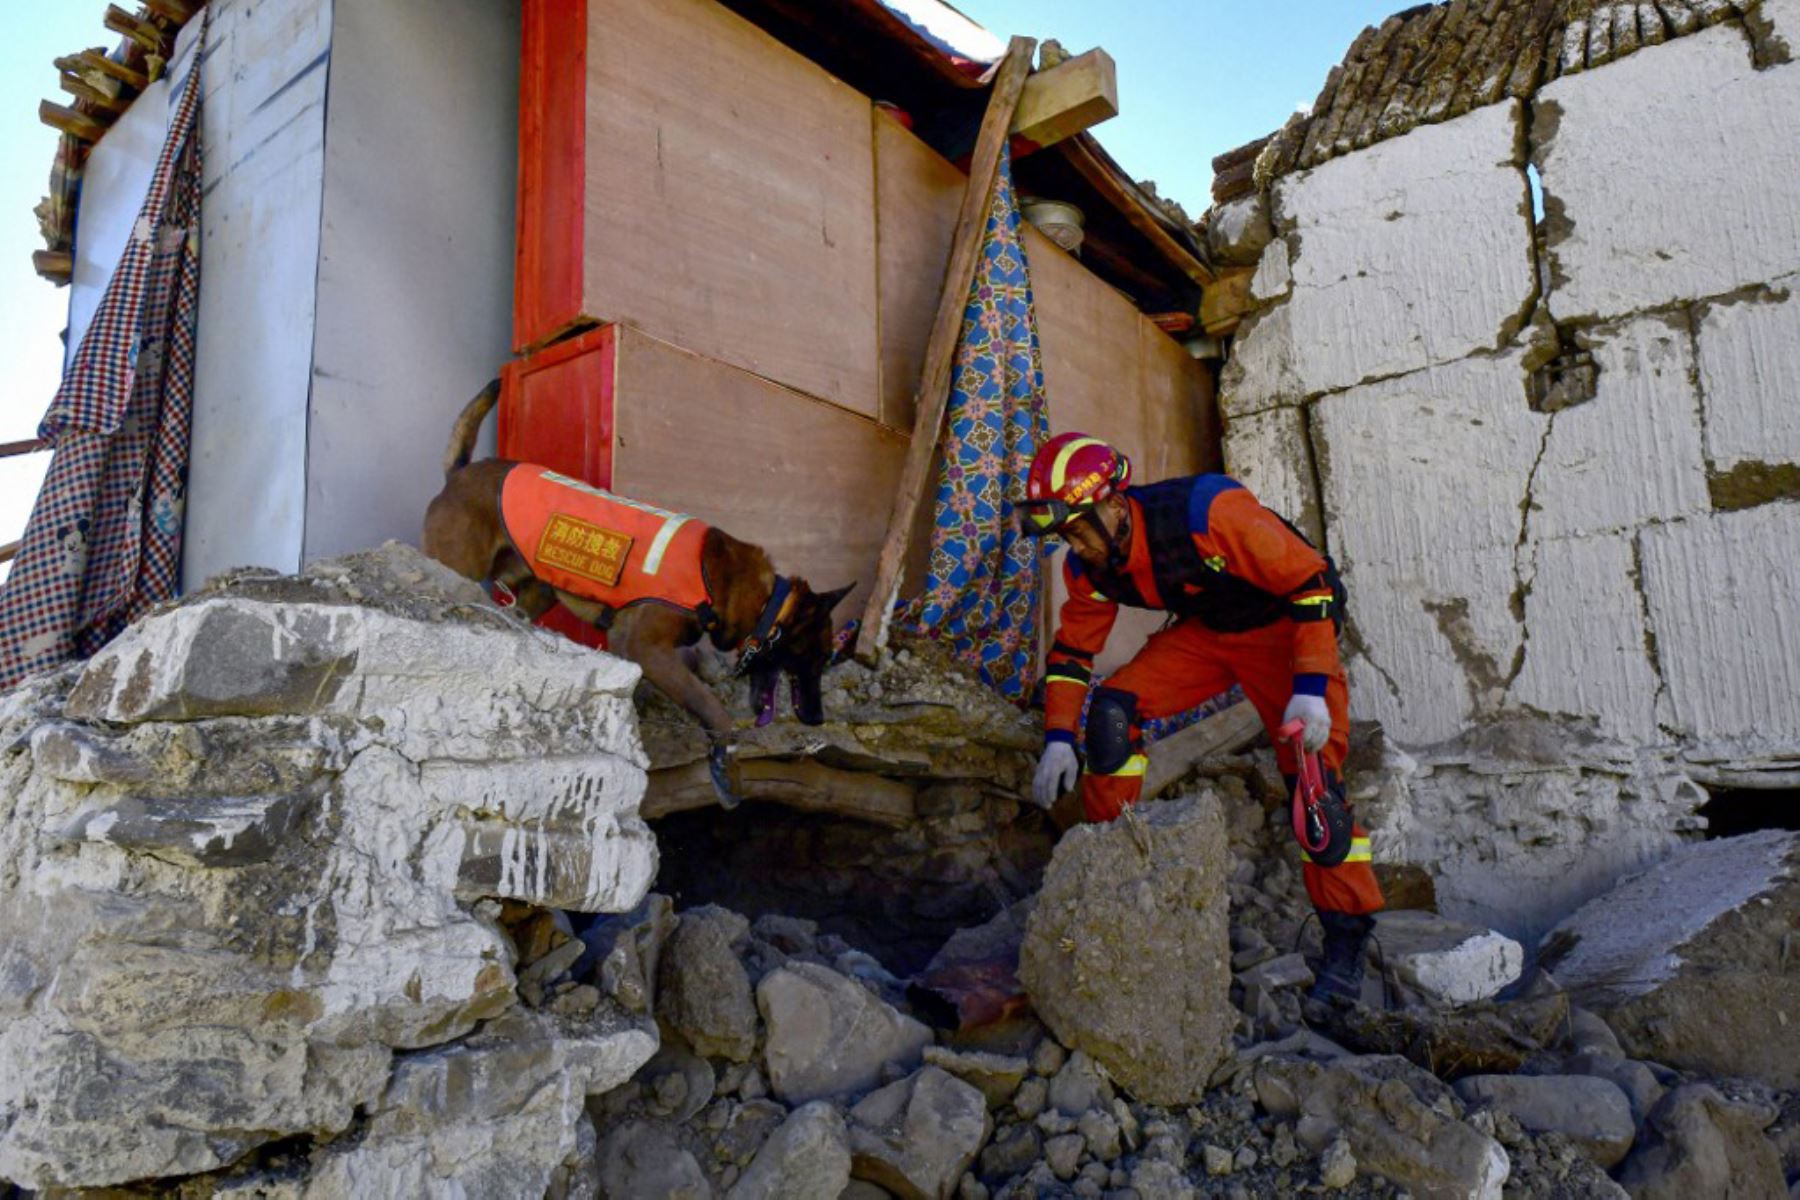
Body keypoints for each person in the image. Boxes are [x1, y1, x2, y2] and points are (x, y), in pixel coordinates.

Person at [1017, 432, 1384, 1003]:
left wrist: (1310, 685)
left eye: (1077, 529)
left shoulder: (1207, 511)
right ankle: (1112, 870)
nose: (1075, 546)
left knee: (1317, 795)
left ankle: (1347, 938)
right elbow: (1071, 656)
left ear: (1114, 504)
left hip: (1287, 630)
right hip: (1209, 636)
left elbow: (1310, 582)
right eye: (1063, 536)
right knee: (1112, 715)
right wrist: (1059, 738)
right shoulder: (1091, 566)